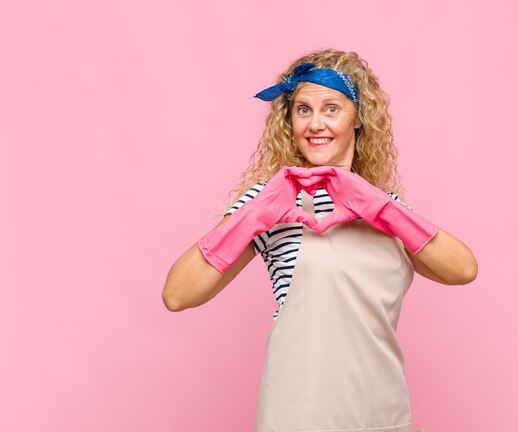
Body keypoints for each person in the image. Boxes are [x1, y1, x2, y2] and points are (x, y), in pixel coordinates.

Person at [162, 49, 478, 432]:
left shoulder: (387, 209)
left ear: (358, 118)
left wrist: (377, 205)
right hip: (297, 416)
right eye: (303, 110)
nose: (315, 124)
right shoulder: (271, 201)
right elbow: (178, 294)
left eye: (331, 109)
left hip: (381, 414)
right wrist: (252, 217)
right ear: (290, 120)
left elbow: (462, 269)